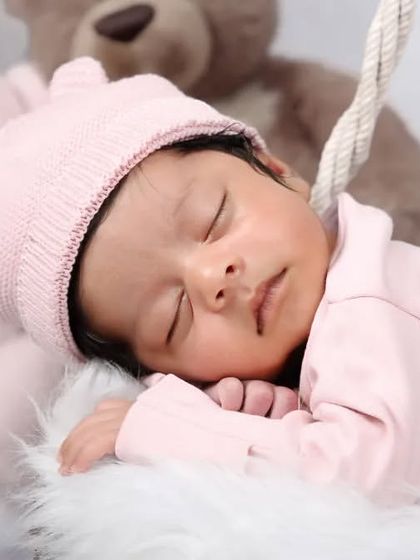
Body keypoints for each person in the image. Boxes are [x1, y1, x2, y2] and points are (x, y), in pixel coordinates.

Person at [2, 58, 420, 506]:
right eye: (174, 316)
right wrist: (251, 416)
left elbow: (365, 475)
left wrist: (179, 432)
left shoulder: (368, 304)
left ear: (276, 169)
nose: (211, 279)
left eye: (214, 222)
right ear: (162, 371)